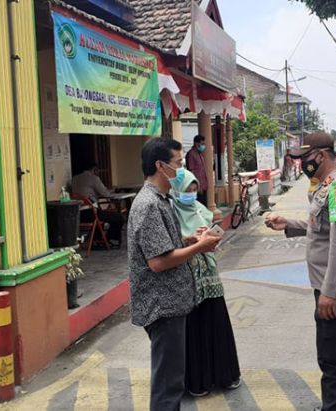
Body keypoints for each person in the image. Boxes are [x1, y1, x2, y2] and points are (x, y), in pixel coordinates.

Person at [265, 132, 336, 411]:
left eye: (305, 158)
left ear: (320, 156)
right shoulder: (327, 186)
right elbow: (321, 226)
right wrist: (288, 223)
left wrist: (329, 293)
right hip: (334, 284)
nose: (302, 164)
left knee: (331, 353)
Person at [127, 138, 221, 411]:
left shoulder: (161, 200)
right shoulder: (149, 205)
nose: (181, 169)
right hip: (162, 305)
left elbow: (164, 243)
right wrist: (201, 247)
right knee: (168, 385)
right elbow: (158, 262)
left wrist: (190, 240)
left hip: (172, 302)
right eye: (178, 163)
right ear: (160, 165)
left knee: (172, 379)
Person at [170, 169, 241, 396]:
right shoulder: (169, 213)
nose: (191, 193)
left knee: (216, 324)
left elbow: (214, 238)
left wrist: (209, 238)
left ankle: (224, 376)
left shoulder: (202, 211)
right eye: (186, 190)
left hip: (210, 276)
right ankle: (197, 381)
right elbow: (169, 245)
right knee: (194, 328)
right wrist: (190, 240)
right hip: (186, 278)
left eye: (193, 189)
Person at [71, 162, 125, 247]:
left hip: (77, 214)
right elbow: (105, 194)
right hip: (91, 213)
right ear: (94, 170)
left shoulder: (74, 179)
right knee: (119, 218)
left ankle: (97, 239)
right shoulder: (93, 178)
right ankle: (108, 238)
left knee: (102, 215)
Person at [186, 135, 209, 206]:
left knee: (204, 207)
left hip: (203, 186)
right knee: (199, 209)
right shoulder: (191, 154)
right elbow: (191, 172)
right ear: (196, 144)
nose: (203, 146)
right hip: (197, 188)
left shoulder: (200, 155)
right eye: (202, 144)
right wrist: (197, 186)